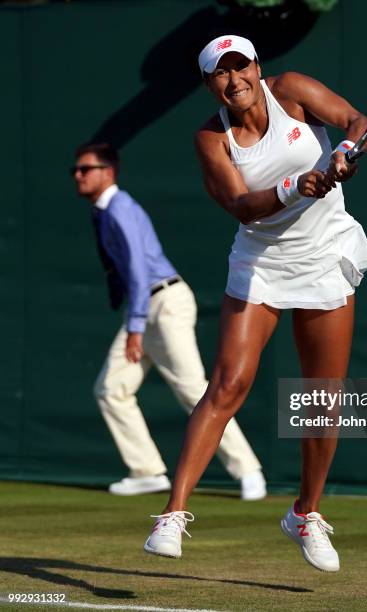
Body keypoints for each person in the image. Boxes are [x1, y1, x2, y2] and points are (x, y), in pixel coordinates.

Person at [143, 35, 367, 572]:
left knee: (323, 399)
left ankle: (305, 514)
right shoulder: (210, 138)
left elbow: (357, 121)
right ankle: (172, 515)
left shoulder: (291, 91)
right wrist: (298, 185)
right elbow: (243, 206)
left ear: (256, 66)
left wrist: (343, 151)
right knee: (228, 384)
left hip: (324, 254)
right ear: (208, 85)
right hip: (262, 263)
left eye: (240, 66)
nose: (234, 79)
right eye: (220, 73)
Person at [72, 142, 267, 501]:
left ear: (108, 172)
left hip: (163, 304)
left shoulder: (119, 210)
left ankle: (249, 470)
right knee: (111, 388)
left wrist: (135, 327)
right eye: (76, 170)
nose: (78, 176)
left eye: (86, 169)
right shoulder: (102, 211)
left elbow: (136, 269)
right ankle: (146, 470)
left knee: (194, 389)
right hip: (146, 307)